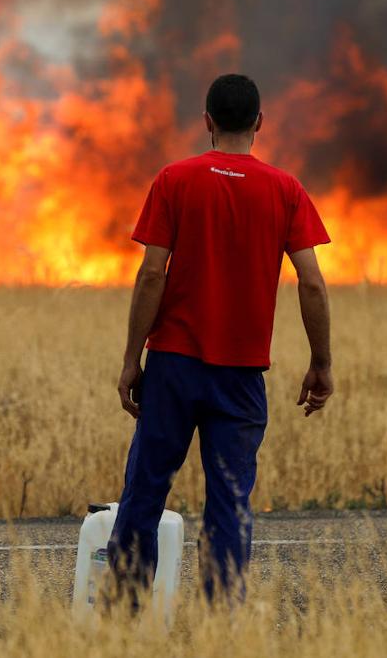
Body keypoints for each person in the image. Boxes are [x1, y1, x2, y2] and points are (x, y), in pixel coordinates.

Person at [107, 73, 334, 607]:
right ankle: (221, 623)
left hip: (173, 366)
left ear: (206, 120)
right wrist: (321, 362)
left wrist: (130, 359)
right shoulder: (286, 190)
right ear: (259, 123)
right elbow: (314, 281)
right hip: (241, 376)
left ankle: (125, 618)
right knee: (230, 503)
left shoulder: (174, 180)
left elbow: (151, 274)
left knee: (145, 491)